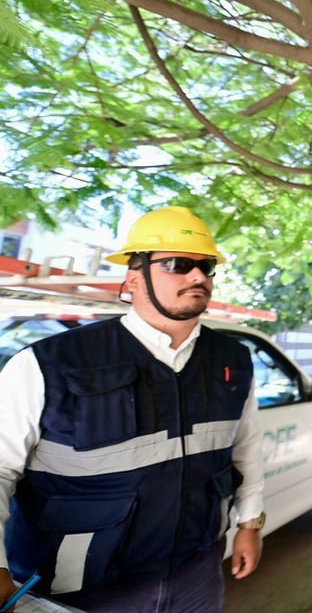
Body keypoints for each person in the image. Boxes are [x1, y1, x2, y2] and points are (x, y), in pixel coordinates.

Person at [0, 206, 265, 613]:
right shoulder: (47, 363)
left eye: (207, 266)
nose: (198, 277)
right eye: (179, 264)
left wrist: (249, 523)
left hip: (196, 573)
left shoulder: (233, 360)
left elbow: (246, 449)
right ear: (133, 278)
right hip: (81, 587)